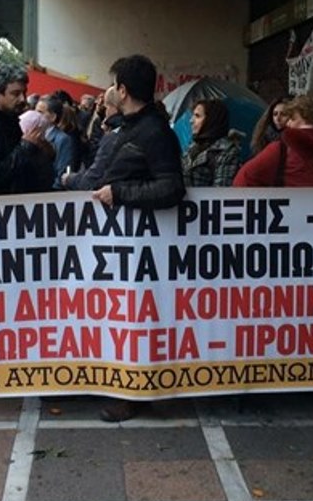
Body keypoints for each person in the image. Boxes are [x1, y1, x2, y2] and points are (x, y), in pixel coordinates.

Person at [92, 55, 185, 423]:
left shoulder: (154, 132)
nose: (111, 90)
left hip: (142, 246)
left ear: (123, 89)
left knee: (137, 319)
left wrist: (120, 193)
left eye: (113, 84)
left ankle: (135, 394)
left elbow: (171, 187)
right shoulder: (132, 127)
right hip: (123, 244)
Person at [0, 64, 49, 195]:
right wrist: (25, 147)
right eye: (15, 94)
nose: (23, 99)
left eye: (24, 92)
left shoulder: (10, 120)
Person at [63, 86, 124, 191]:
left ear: (113, 107)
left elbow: (93, 178)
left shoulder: (112, 136)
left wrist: (69, 179)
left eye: (105, 107)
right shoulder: (138, 130)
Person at [181, 99, 240, 187]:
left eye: (197, 116)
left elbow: (221, 189)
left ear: (211, 120)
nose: (191, 121)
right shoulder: (191, 148)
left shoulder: (227, 152)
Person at [36, 95, 76, 189]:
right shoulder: (31, 134)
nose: (35, 116)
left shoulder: (63, 139)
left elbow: (63, 172)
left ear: (53, 117)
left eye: (40, 112)